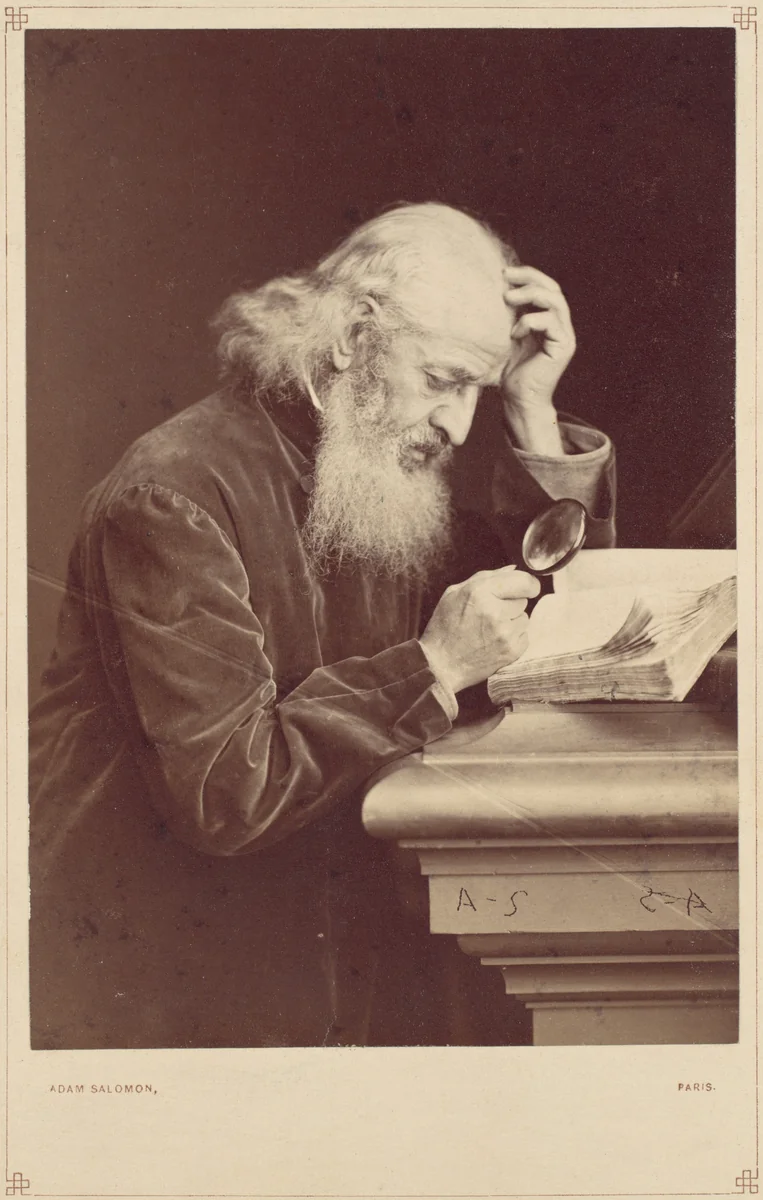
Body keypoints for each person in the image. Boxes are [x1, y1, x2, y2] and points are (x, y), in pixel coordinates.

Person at [29, 203, 615, 1049]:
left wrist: (530, 410)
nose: (458, 425)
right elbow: (228, 793)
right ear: (352, 338)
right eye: (444, 379)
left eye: (476, 392)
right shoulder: (172, 494)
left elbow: (552, 633)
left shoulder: (375, 468)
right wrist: (431, 667)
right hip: (179, 973)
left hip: (338, 946)